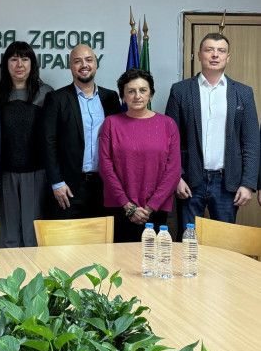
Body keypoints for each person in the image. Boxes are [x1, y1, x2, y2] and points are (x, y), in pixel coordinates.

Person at [166, 33, 259, 239]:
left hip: (228, 182)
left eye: (221, 51)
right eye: (209, 50)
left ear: (228, 57)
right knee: (188, 241)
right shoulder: (180, 90)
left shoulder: (243, 93)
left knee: (224, 243)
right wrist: (176, 177)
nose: (215, 55)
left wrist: (248, 183)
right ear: (199, 55)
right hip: (190, 181)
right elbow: (170, 140)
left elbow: (252, 141)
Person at [99, 69, 181, 242]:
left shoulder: (168, 124)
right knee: (119, 256)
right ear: (123, 96)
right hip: (119, 207)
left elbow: (173, 171)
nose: (137, 96)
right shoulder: (111, 124)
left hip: (156, 209)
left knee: (153, 256)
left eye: (143, 90)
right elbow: (105, 168)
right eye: (131, 91)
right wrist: (128, 207)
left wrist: (150, 207)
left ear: (150, 95)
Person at [42, 44, 121, 219]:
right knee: (69, 236)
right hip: (68, 188)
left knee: (103, 235)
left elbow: (118, 141)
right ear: (70, 65)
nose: (84, 65)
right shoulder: (56, 99)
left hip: (104, 185)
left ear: (96, 64)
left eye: (89, 60)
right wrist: (56, 182)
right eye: (77, 61)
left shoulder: (111, 98)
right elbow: (48, 143)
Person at [0, 41, 53, 247]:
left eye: (25, 59)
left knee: (32, 235)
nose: (19, 64)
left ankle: (35, 269)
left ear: (32, 63)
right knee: (10, 235)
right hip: (5, 174)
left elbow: (52, 138)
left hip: (37, 174)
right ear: (6, 64)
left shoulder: (46, 93)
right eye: (14, 59)